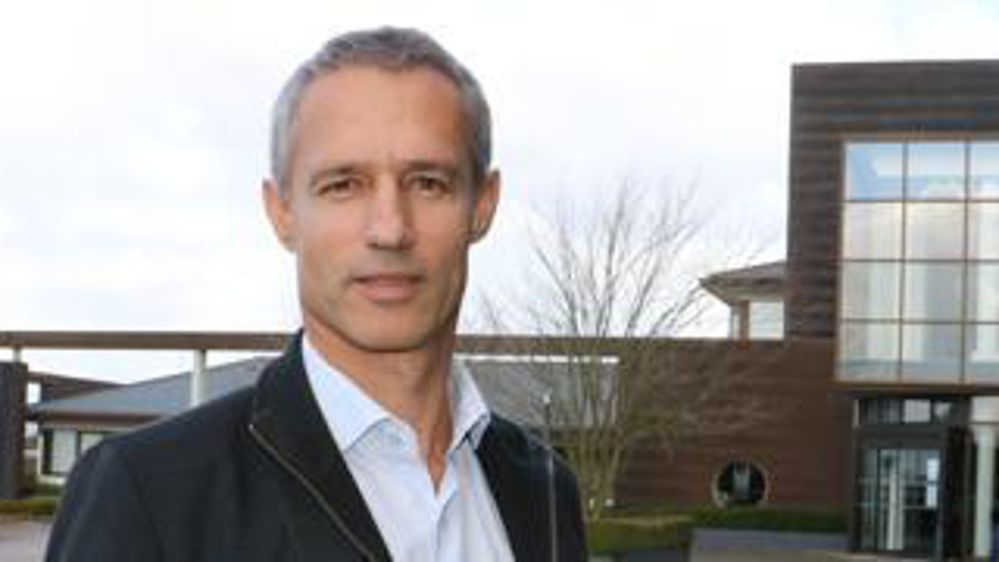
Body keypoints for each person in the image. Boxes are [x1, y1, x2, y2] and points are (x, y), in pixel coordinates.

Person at [45, 26, 587, 562]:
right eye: (344, 185)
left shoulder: (542, 489)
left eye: (428, 183)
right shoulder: (148, 495)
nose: (390, 229)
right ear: (281, 211)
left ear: (483, 205)